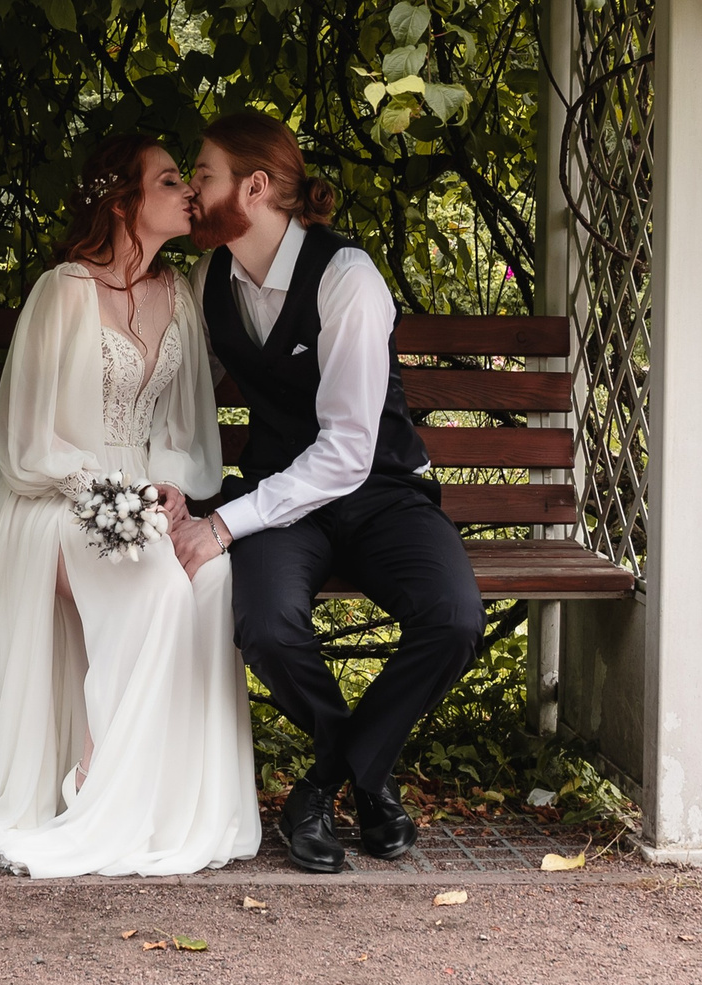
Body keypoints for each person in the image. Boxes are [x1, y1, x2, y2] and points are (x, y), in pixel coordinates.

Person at [0, 135, 259, 876]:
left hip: (140, 495)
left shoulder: (181, 293)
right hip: (54, 498)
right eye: (171, 181)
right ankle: (99, 778)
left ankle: (176, 806)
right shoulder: (63, 291)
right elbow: (28, 437)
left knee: (212, 579)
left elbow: (186, 426)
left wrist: (167, 491)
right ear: (123, 201)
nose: (188, 192)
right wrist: (104, 493)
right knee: (160, 584)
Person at [167, 109, 486, 873]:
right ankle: (368, 784)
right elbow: (185, 402)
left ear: (255, 185)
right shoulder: (209, 280)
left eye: (204, 175)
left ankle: (322, 784)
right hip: (284, 498)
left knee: (453, 620)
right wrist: (171, 484)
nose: (192, 191)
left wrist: (222, 527)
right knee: (268, 628)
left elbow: (348, 451)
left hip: (379, 493)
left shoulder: (347, 280)